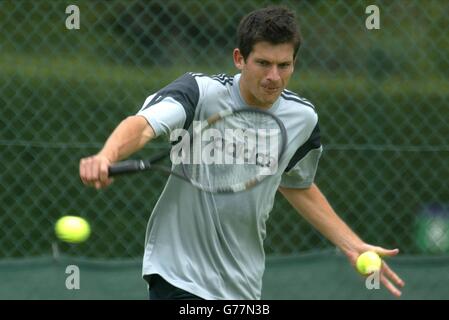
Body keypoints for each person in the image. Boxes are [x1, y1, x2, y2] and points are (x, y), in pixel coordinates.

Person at [79, 6, 405, 299]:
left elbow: (297, 185)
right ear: (239, 59)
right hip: (178, 276)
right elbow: (144, 125)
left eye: (283, 65)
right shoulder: (200, 92)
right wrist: (107, 156)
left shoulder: (302, 120)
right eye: (263, 63)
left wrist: (351, 245)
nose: (273, 76)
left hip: (243, 287)